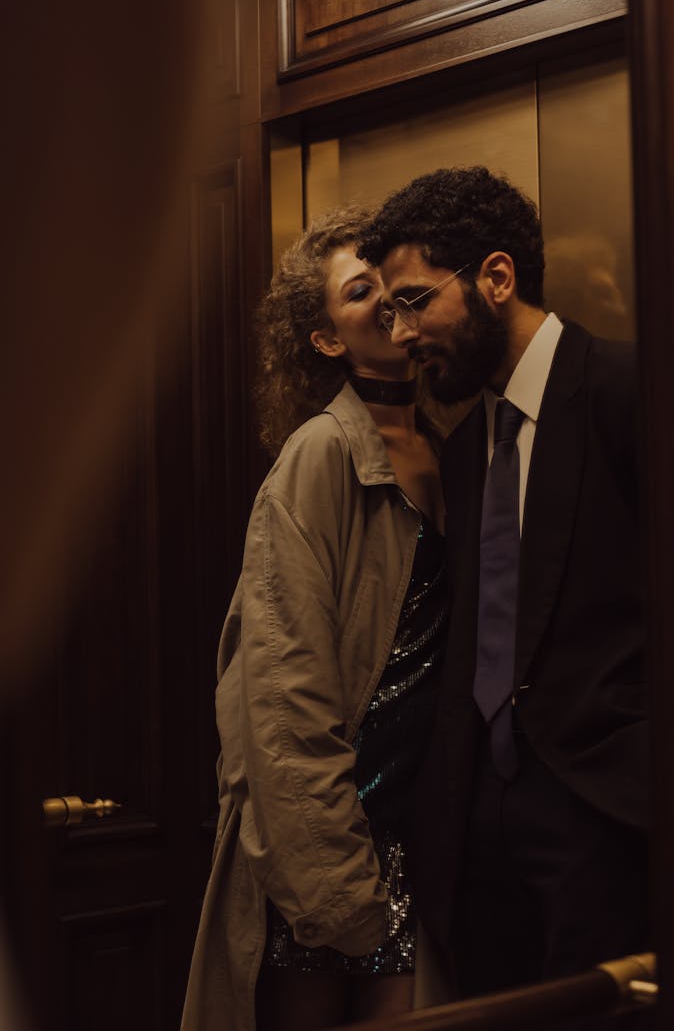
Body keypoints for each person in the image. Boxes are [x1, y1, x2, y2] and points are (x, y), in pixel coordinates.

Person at [359, 166, 649, 1001]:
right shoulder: (462, 448)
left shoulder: (623, 393)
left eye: (414, 301)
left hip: (602, 812)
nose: (402, 332)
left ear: (495, 277)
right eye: (388, 312)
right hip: (475, 828)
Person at [181, 209, 447, 1031]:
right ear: (327, 339)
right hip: (330, 844)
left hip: (413, 840)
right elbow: (283, 687)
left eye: (392, 280)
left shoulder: (451, 445)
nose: (386, 299)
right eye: (359, 291)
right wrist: (335, 885)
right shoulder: (322, 453)